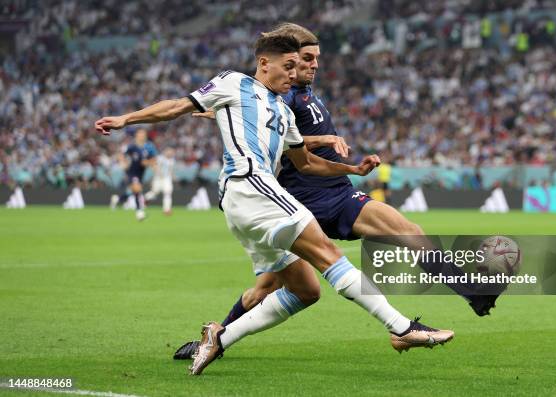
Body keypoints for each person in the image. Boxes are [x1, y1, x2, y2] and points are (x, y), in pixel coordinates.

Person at [95, 34, 454, 377]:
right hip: (249, 183)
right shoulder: (233, 83)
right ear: (264, 63)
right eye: (289, 65)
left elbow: (306, 163)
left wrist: (352, 170)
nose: (294, 74)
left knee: (306, 290)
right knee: (327, 252)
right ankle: (402, 327)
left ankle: (219, 338)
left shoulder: (283, 112)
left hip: (245, 204)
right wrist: (127, 119)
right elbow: (176, 106)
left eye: (299, 66)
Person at [174, 23, 497, 362]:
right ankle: (213, 341)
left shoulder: (305, 93)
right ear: (290, 61)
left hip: (338, 194)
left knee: (408, 231)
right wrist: (321, 140)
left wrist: (352, 168)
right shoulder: (277, 96)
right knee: (267, 288)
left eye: (316, 59)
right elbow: (279, 139)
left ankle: (472, 291)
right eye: (307, 59)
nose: (314, 65)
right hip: (301, 201)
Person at [110, 128, 156, 221]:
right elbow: (121, 155)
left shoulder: (149, 147)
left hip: (141, 174)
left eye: (143, 134)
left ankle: (117, 199)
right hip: (131, 172)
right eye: (140, 134)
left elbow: (152, 160)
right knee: (137, 189)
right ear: (137, 135)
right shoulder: (132, 147)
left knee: (133, 192)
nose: (142, 135)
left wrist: (150, 164)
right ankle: (139, 212)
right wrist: (123, 162)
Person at [144, 147, 175, 215]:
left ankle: (167, 209)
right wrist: (157, 172)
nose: (170, 153)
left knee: (168, 192)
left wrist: (173, 176)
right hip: (158, 178)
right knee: (155, 192)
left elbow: (170, 169)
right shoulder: (160, 158)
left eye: (172, 152)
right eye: (169, 151)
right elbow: (153, 165)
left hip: (167, 178)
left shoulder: (172, 160)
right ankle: (145, 199)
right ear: (166, 151)